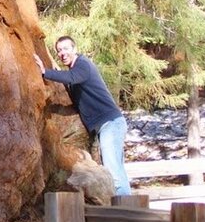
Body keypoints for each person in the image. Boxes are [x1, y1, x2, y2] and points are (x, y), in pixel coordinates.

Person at [34, 36, 132, 197]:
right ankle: (126, 208)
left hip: (111, 123)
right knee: (115, 168)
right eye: (59, 50)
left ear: (74, 49)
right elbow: (69, 80)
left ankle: (126, 211)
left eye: (66, 49)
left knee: (113, 170)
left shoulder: (83, 65)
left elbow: (72, 77)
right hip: (105, 126)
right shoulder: (75, 70)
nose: (62, 53)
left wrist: (45, 72)